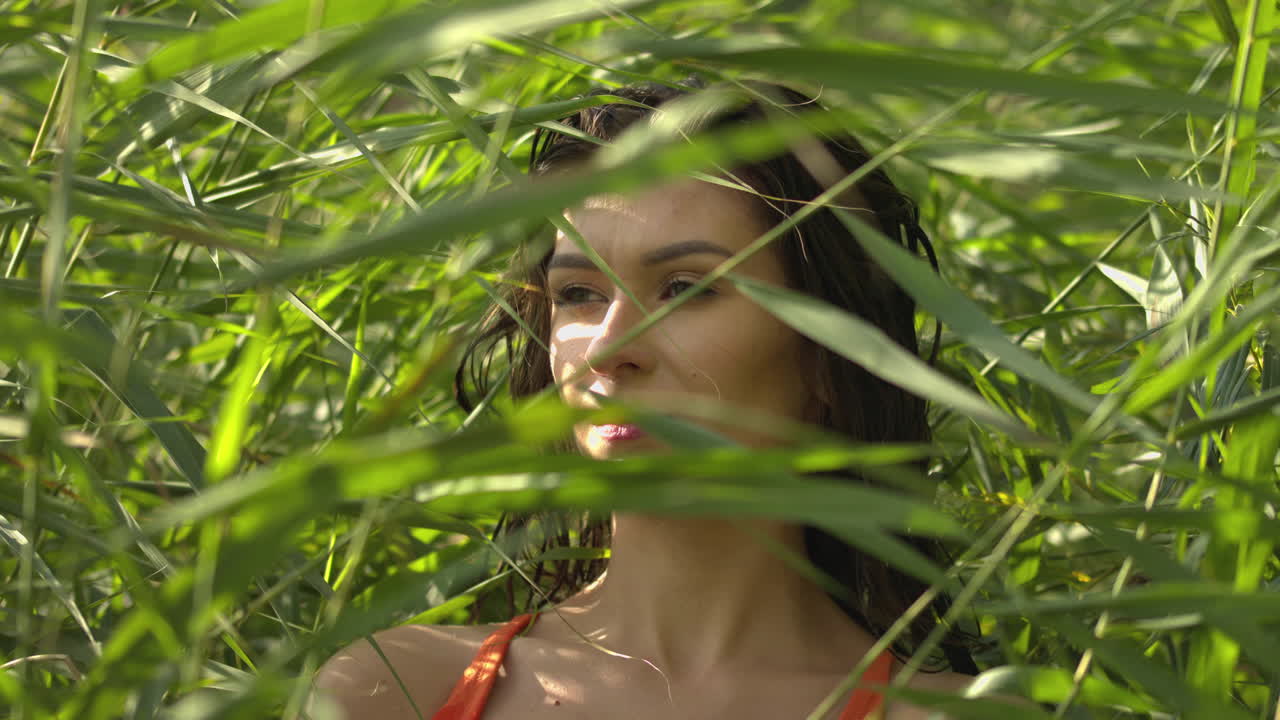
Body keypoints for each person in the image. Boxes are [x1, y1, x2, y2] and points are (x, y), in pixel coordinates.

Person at [313, 79, 978, 720]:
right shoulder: (394, 689)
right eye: (578, 293)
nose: (608, 348)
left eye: (685, 288)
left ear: (831, 353)